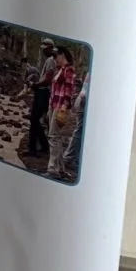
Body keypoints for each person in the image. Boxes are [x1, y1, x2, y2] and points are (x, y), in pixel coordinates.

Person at [47, 46, 84, 182]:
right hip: (53, 105)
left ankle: (53, 169)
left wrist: (63, 108)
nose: (54, 59)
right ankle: (60, 168)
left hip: (60, 106)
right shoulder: (60, 70)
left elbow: (68, 91)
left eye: (56, 56)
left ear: (62, 55)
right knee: (56, 136)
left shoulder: (69, 69)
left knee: (53, 136)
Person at [21, 39, 58, 161]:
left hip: (43, 92)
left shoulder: (51, 60)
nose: (43, 51)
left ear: (50, 48)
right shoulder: (50, 60)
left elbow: (47, 79)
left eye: (44, 49)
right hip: (43, 91)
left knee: (34, 119)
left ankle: (32, 149)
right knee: (36, 120)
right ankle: (43, 145)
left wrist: (35, 85)